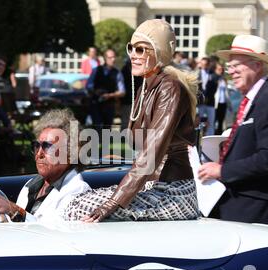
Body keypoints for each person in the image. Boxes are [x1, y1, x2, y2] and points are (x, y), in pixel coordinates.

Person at [65, 19, 201, 222]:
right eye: (131, 48)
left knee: (79, 207)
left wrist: (111, 204)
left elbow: (151, 154)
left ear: (159, 52)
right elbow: (141, 149)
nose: (133, 55)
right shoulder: (145, 87)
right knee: (74, 201)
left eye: (141, 50)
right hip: (153, 187)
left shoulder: (170, 89)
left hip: (175, 194)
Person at [198, 35, 268, 231]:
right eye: (229, 67)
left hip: (262, 211)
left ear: (256, 65)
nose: (231, 72)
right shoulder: (256, 96)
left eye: (235, 66)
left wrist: (222, 170)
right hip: (247, 204)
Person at [0, 109, 91, 224]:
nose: (39, 153)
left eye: (47, 146)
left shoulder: (78, 191)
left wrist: (13, 209)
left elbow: (55, 233)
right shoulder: (31, 185)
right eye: (36, 146)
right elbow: (12, 223)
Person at [86, 49, 126, 131]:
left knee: (107, 130)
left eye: (114, 57)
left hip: (109, 105)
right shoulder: (96, 70)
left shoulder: (117, 73)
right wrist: (95, 92)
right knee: (97, 128)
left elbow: (122, 92)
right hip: (96, 103)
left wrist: (110, 95)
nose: (113, 59)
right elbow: (88, 86)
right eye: (110, 57)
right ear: (105, 58)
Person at [197, 57, 219, 136]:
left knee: (211, 122)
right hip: (200, 103)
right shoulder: (197, 74)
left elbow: (214, 89)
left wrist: (207, 97)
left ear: (209, 65)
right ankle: (199, 138)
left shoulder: (213, 75)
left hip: (210, 102)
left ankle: (210, 139)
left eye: (206, 64)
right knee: (199, 122)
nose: (204, 66)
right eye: (202, 64)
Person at [214, 63, 231, 135]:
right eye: (219, 69)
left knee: (221, 120)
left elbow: (226, 92)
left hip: (223, 103)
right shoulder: (214, 78)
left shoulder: (224, 79)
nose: (220, 71)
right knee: (214, 120)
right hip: (216, 103)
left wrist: (229, 103)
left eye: (222, 69)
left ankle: (219, 134)